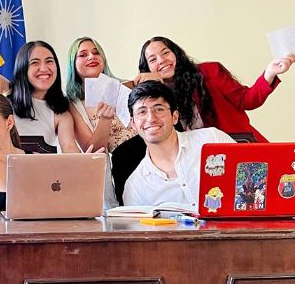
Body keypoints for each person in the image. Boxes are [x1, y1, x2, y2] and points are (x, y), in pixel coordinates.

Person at [135, 36, 295, 142]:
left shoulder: (209, 72)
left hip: (236, 146)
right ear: (147, 68)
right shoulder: (153, 98)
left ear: (176, 54)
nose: (162, 60)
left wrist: (270, 72)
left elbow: (247, 100)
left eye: (166, 53)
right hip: (193, 162)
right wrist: (156, 87)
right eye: (153, 59)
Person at [123, 81, 235, 208]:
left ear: (175, 116)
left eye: (159, 109)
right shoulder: (135, 187)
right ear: (133, 124)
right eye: (142, 112)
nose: (151, 118)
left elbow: (253, 179)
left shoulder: (212, 139)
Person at [65, 37, 137, 208]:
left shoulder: (127, 86)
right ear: (73, 64)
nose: (91, 57)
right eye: (83, 54)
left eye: (96, 52)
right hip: (118, 168)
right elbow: (93, 150)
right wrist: (105, 120)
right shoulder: (72, 104)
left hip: (147, 157)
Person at [9, 40, 80, 153]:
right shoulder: (5, 104)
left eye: (49, 61)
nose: (43, 69)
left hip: (42, 169)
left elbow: (69, 146)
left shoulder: (62, 113)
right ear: (22, 68)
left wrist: (85, 162)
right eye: (35, 63)